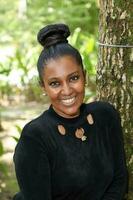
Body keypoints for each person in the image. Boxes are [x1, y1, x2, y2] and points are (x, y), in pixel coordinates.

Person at [13, 23, 127, 200]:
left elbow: (119, 180)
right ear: (43, 87)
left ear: (85, 76)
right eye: (55, 83)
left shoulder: (106, 116)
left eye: (73, 78)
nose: (67, 91)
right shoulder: (35, 137)